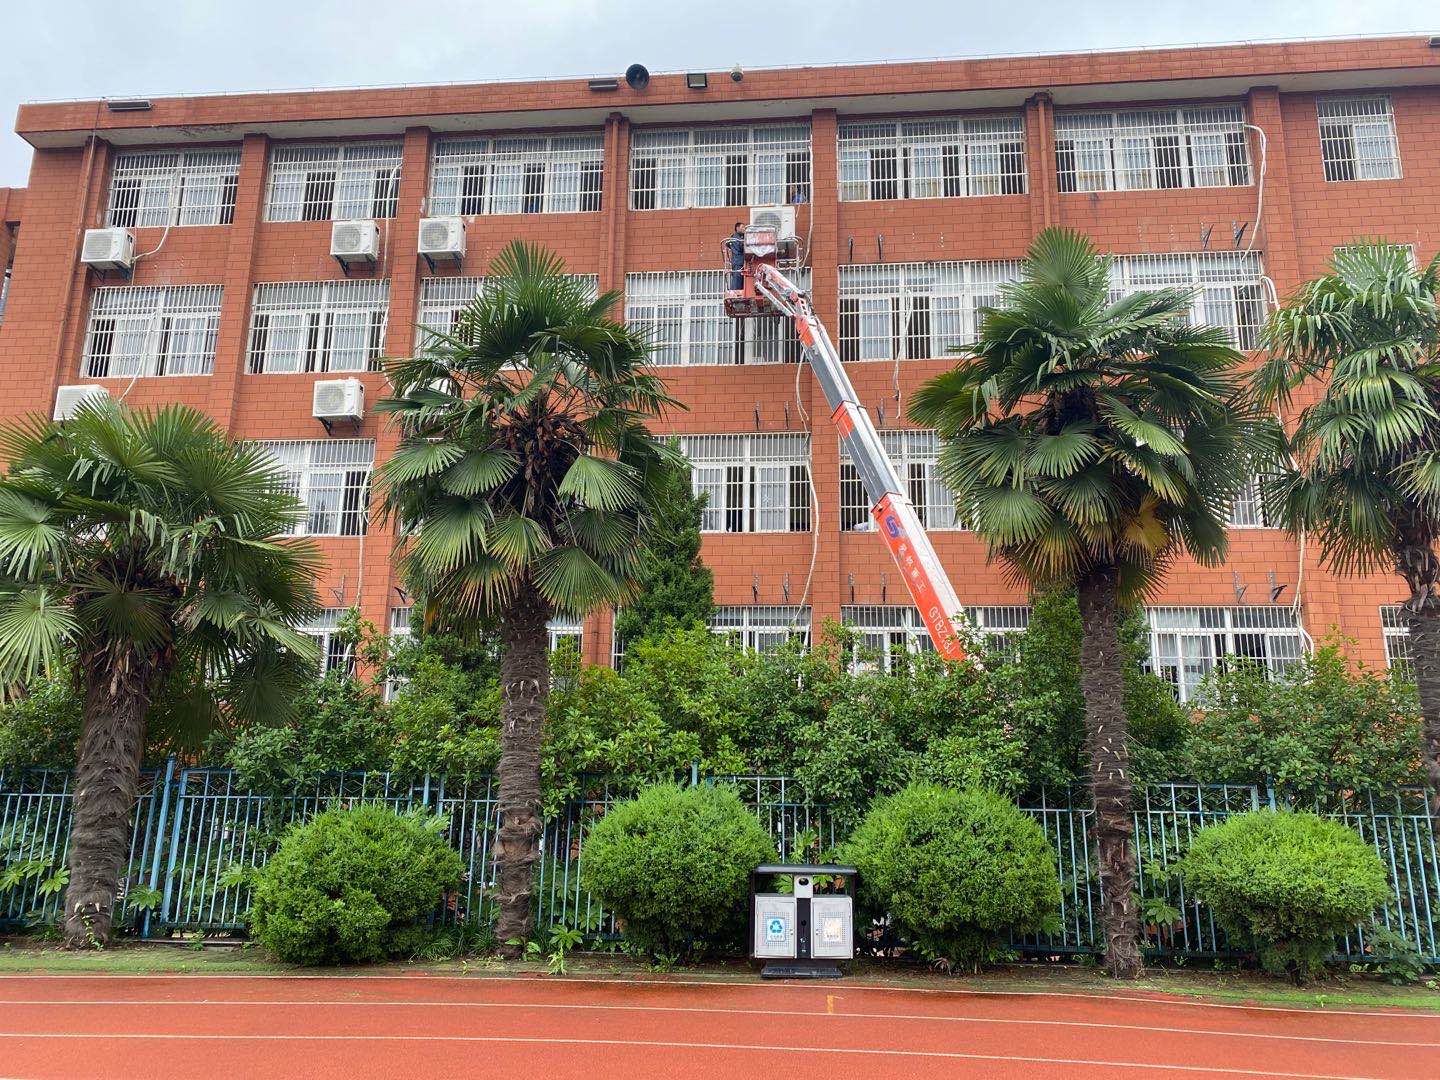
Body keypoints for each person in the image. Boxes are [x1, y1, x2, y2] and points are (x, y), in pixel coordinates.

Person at [725, 222, 746, 290]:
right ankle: (735, 292)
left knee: (741, 281)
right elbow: (740, 248)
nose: (744, 229)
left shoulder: (740, 237)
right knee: (737, 281)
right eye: (742, 227)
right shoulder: (735, 237)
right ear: (737, 228)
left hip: (739, 262)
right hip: (738, 262)